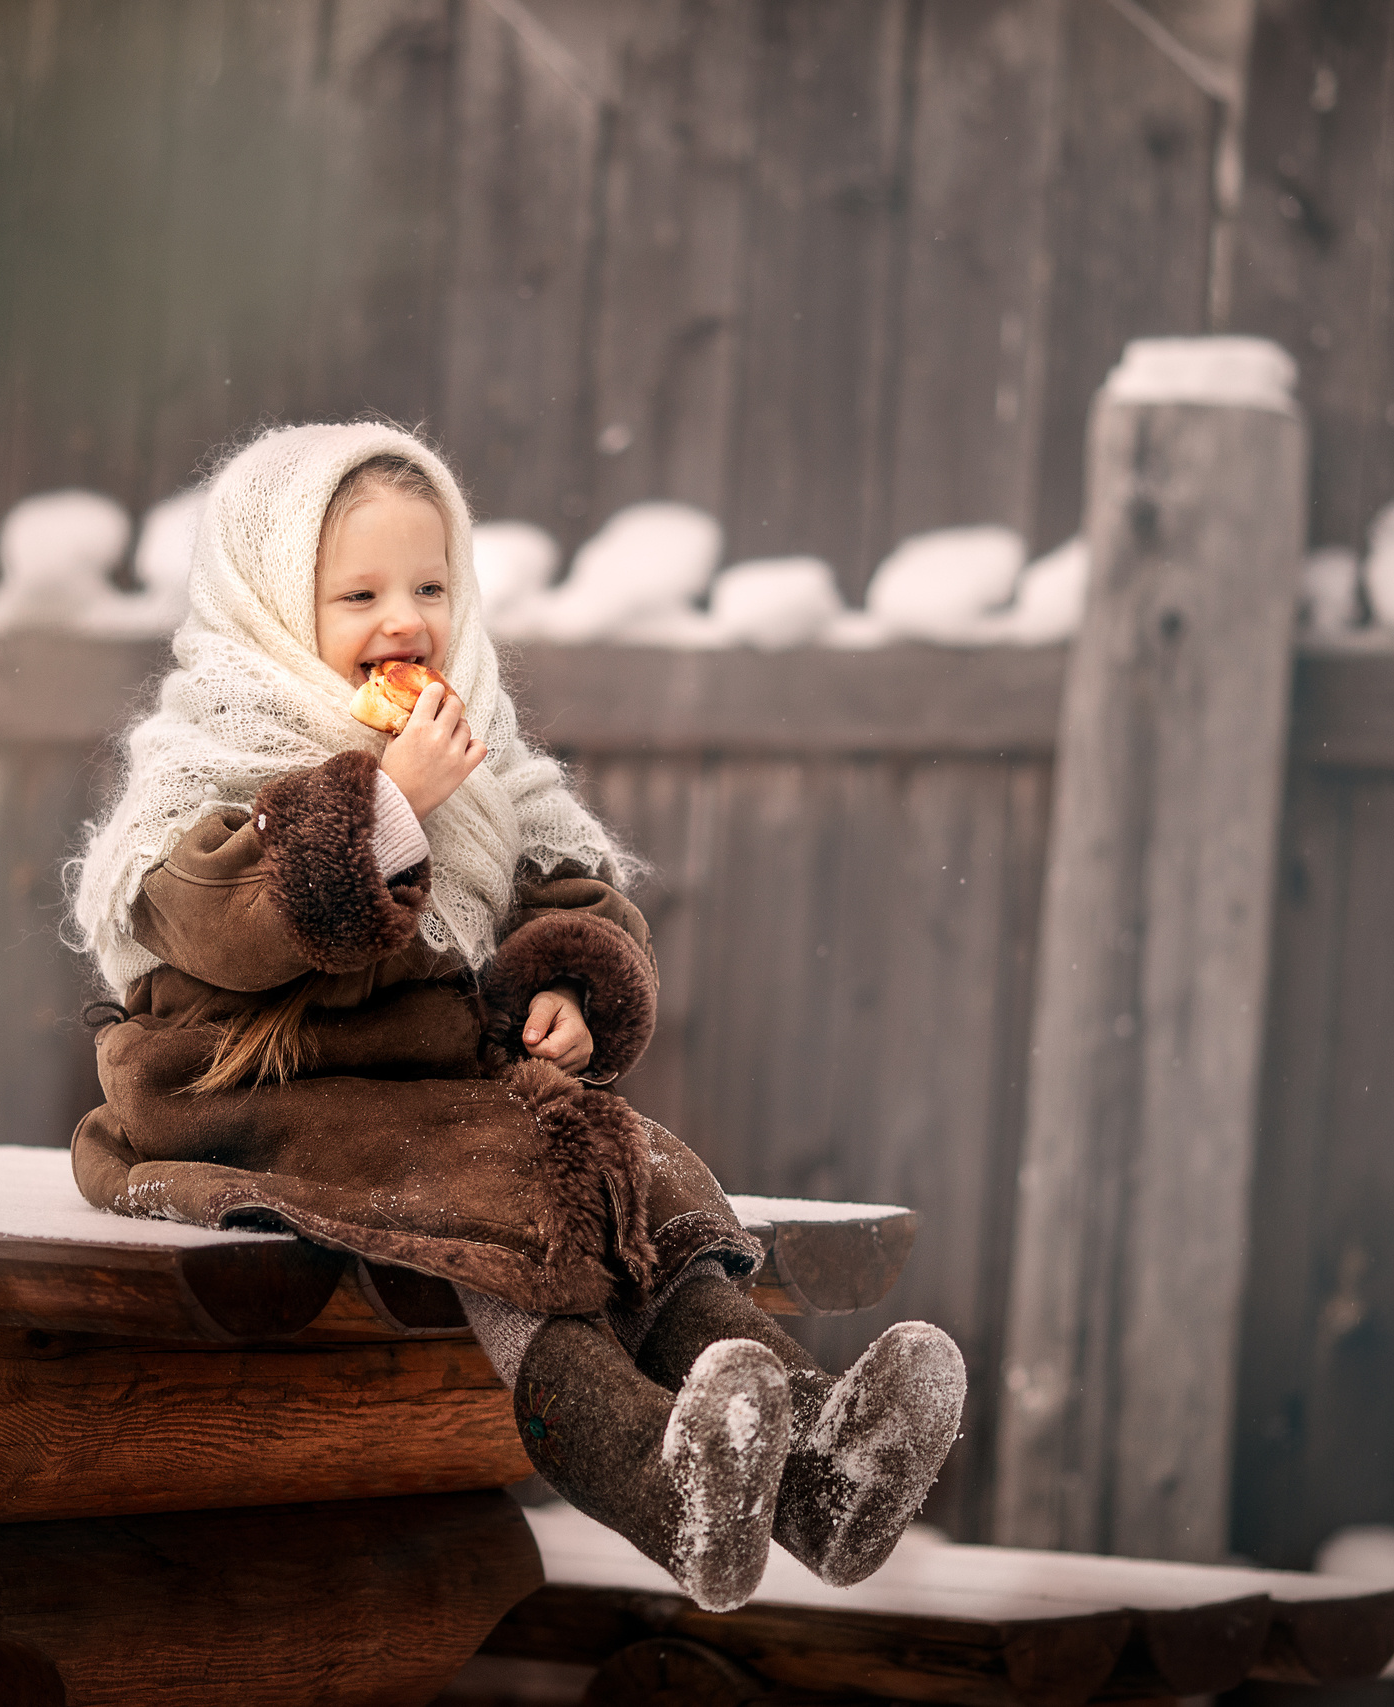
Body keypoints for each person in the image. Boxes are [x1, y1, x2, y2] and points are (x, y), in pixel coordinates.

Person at [67, 421, 964, 1612]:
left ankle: (819, 1467)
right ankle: (660, 1480)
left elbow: (564, 883)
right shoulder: (210, 756)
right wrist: (387, 807)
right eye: (359, 594)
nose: (405, 619)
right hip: (252, 1095)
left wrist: (563, 986)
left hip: (435, 1090)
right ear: (271, 604)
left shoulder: (474, 746)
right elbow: (220, 923)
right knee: (498, 1197)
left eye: (431, 587)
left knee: (634, 1177)